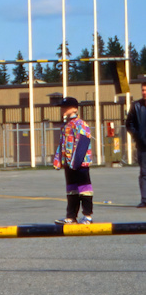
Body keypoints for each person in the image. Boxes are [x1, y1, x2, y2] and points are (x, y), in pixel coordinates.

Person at [52, 95, 94, 225]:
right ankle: (71, 216)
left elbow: (83, 142)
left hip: (80, 163)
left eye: (66, 107)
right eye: (62, 107)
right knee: (71, 189)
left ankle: (87, 216)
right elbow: (62, 144)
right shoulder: (66, 125)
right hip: (68, 164)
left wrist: (76, 162)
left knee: (85, 188)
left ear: (75, 109)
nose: (62, 109)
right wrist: (58, 159)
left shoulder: (80, 124)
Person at [127, 79, 146, 209]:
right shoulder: (136, 106)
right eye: (143, 90)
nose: (144, 92)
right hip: (143, 146)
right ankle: (144, 200)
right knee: (144, 173)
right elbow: (129, 124)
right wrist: (137, 136)